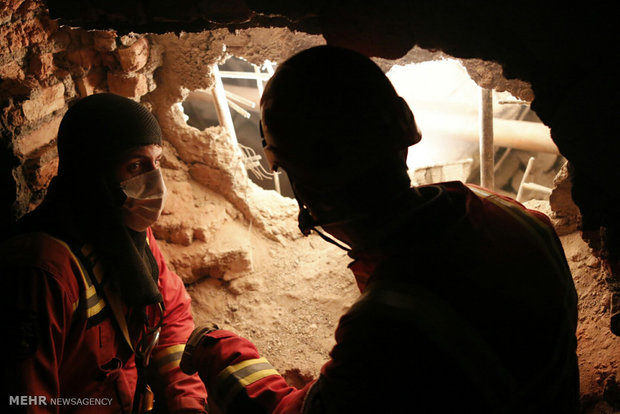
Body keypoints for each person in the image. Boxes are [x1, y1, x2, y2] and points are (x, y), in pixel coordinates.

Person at [179, 46, 580, 413]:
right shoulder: (516, 215)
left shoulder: (384, 324)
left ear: (300, 184)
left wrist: (220, 353)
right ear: (407, 125)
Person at [1, 93, 207, 413]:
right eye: (135, 165)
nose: (155, 182)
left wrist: (186, 400)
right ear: (93, 172)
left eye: (157, 162)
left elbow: (171, 315)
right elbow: (29, 401)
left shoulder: (127, 229)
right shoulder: (42, 271)